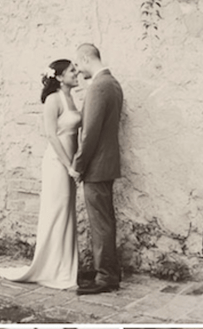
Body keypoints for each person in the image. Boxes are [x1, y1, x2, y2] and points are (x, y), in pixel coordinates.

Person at [0, 59, 81, 289]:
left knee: (67, 213)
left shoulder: (71, 98)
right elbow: (52, 136)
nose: (77, 72)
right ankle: (51, 268)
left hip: (70, 161)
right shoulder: (53, 100)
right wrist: (69, 166)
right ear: (60, 77)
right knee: (57, 212)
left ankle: (66, 267)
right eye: (72, 70)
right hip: (57, 162)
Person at [73, 43, 123, 295]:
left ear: (85, 58)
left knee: (100, 223)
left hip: (97, 166)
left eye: (78, 64)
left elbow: (90, 133)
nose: (78, 69)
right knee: (106, 221)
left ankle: (106, 277)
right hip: (107, 163)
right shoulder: (112, 83)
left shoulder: (98, 87)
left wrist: (78, 165)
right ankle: (108, 270)